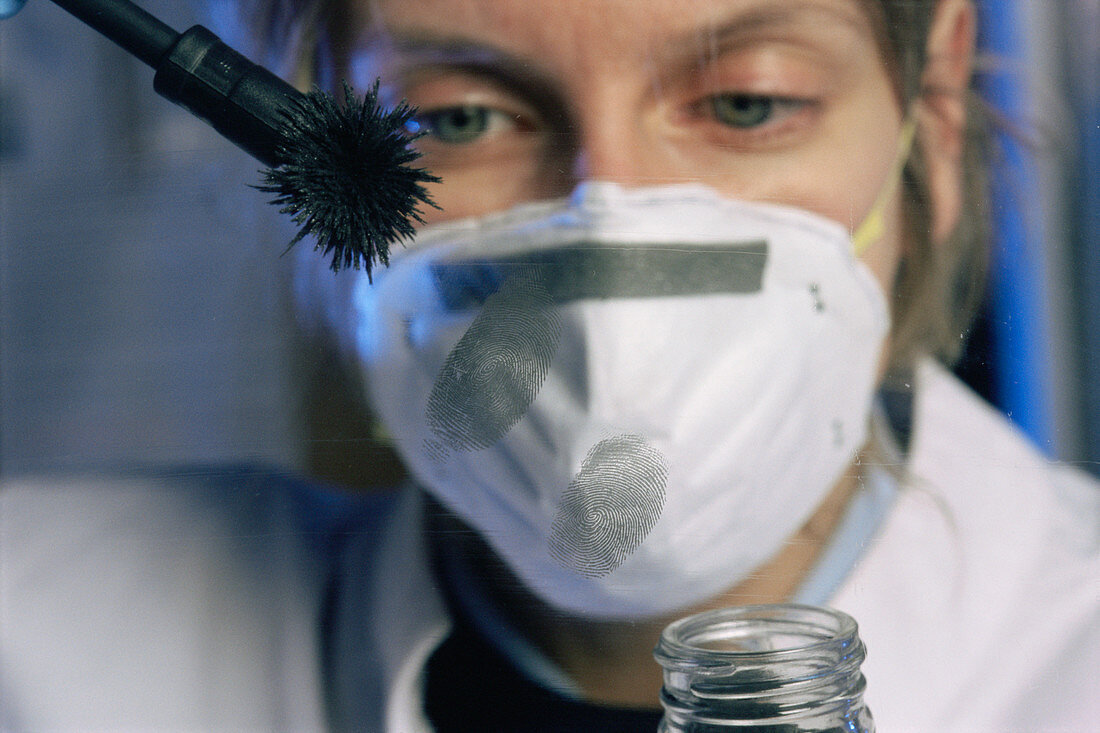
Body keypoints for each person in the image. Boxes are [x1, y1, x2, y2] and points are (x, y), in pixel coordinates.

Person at [0, 1, 1096, 731]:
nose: (606, 225)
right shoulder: (42, 645)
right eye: (460, 117)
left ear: (932, 113)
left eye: (746, 104)